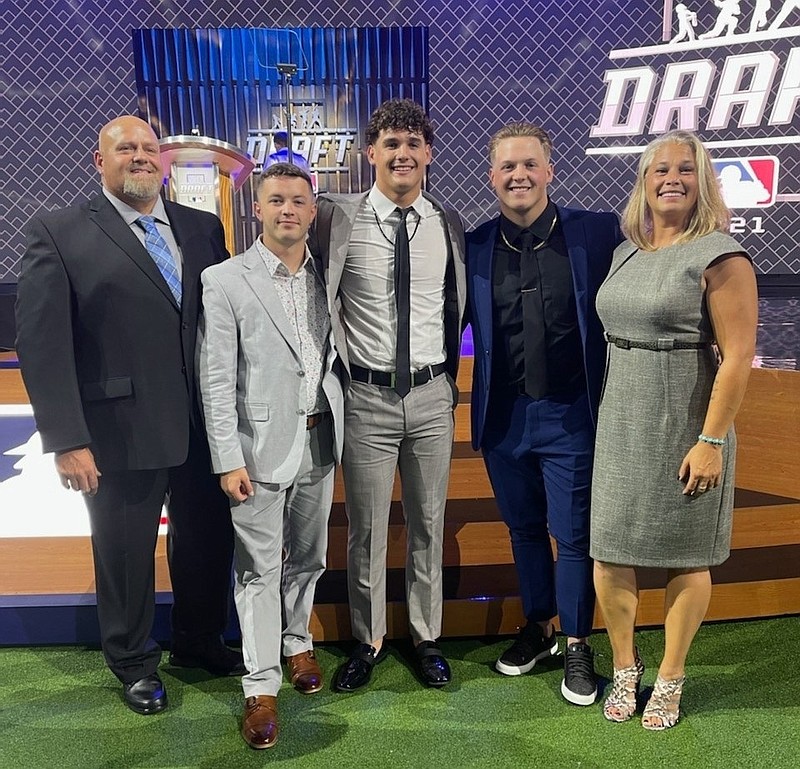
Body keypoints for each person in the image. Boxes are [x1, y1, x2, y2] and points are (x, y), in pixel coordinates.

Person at [15, 116, 243, 716]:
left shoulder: (200, 229)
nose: (140, 157)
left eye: (149, 148)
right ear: (100, 161)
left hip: (202, 426)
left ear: (162, 162)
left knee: (205, 542)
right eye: (126, 149)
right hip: (117, 431)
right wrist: (67, 438)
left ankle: (199, 640)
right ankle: (133, 661)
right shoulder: (58, 233)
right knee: (123, 552)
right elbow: (42, 344)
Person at [591, 130, 757, 730]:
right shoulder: (626, 251)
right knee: (610, 551)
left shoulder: (721, 255)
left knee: (686, 556)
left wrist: (710, 443)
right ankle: (626, 666)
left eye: (686, 170)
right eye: (660, 169)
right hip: (621, 421)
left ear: (703, 180)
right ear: (643, 180)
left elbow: (737, 357)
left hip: (687, 420)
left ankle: (670, 676)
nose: (672, 179)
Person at [309, 98, 466, 691]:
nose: (402, 154)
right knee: (368, 530)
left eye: (413, 144)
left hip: (430, 396)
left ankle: (426, 638)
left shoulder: (446, 224)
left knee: (428, 523)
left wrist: (449, 383)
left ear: (428, 153)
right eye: (390, 144)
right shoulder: (337, 219)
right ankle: (368, 640)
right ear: (369, 153)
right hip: (366, 399)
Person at [466, 122, 622, 706]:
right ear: (492, 177)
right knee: (525, 530)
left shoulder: (598, 233)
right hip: (503, 418)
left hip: (571, 415)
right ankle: (539, 627)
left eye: (529, 164)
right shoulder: (475, 244)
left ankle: (579, 643)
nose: (519, 176)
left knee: (573, 536)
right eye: (507, 167)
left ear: (550, 171)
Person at [197, 163, 344, 749]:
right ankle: (260, 686)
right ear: (256, 209)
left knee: (309, 557)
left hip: (320, 436)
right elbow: (216, 379)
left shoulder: (327, 276)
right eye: (276, 200)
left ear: (313, 212)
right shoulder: (225, 280)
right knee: (258, 569)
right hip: (256, 451)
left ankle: (298, 644)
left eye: (298, 201)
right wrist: (227, 458)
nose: (288, 210)